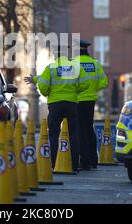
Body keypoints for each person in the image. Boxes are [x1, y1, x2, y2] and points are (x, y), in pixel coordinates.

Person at [25, 43, 89, 172]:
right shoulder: (75, 67)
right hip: (71, 104)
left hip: (55, 104)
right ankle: (74, 164)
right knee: (73, 134)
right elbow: (85, 84)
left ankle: (53, 162)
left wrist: (48, 93)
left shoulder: (51, 68)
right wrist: (74, 91)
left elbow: (43, 85)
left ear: (55, 54)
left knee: (53, 134)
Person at [73, 39, 108, 170]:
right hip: (90, 100)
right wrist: (92, 89)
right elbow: (103, 83)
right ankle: (94, 159)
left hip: (77, 101)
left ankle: (85, 161)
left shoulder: (73, 64)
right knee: (89, 129)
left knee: (79, 130)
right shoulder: (95, 63)